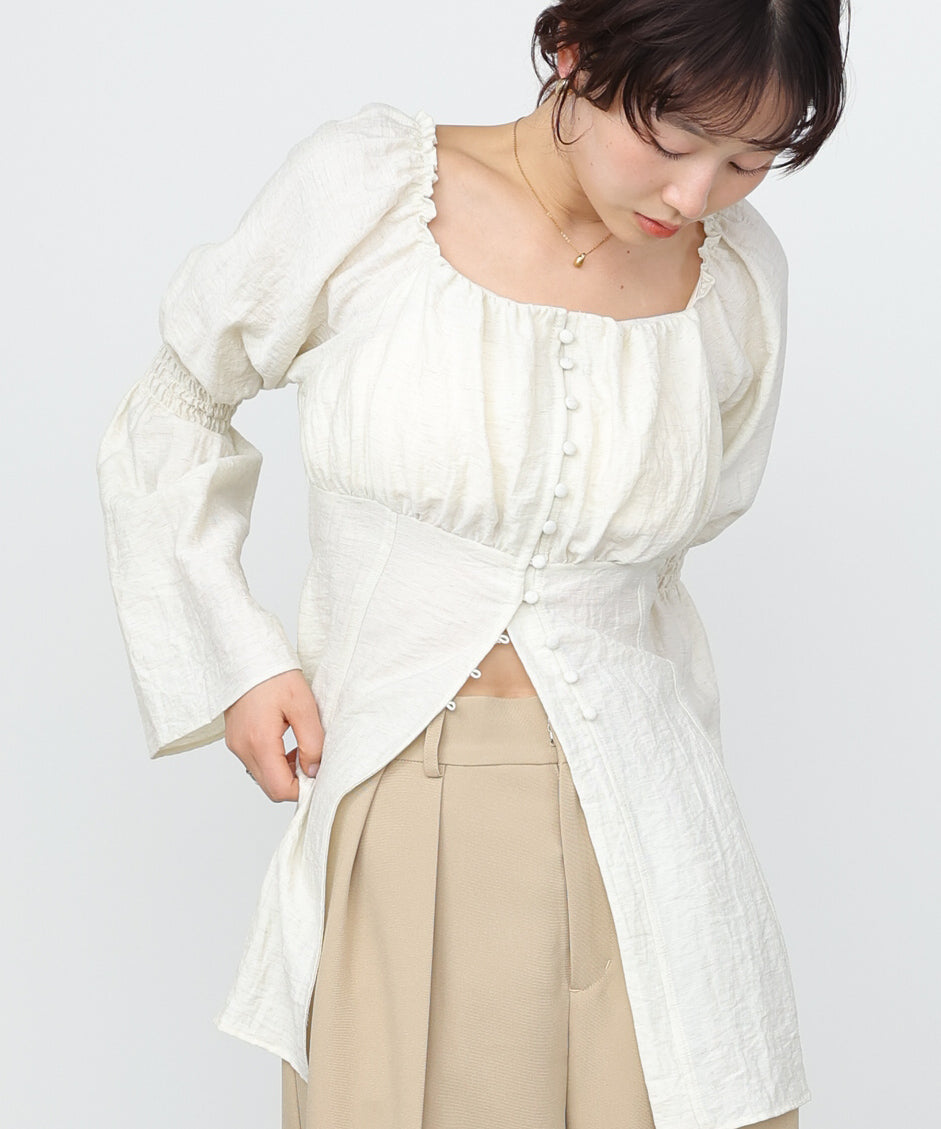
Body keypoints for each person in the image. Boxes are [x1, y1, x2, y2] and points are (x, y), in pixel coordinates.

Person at [96, 1, 850, 1126]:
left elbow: (681, 539)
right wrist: (238, 656)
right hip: (404, 793)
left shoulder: (738, 281)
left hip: (652, 824)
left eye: (747, 161)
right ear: (575, 54)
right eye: (673, 139)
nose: (696, 195)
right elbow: (177, 403)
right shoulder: (370, 194)